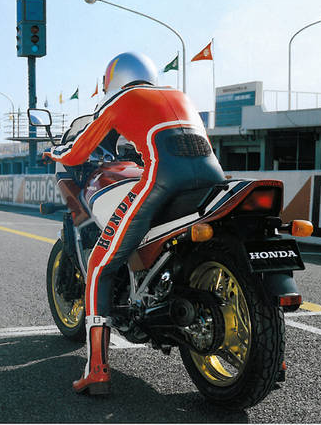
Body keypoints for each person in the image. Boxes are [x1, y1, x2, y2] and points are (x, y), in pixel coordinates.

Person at [44, 51, 226, 395]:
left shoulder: (120, 101)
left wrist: (53, 154)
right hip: (211, 176)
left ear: (112, 80)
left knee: (99, 265)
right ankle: (271, 360)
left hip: (163, 178)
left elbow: (78, 152)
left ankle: (97, 369)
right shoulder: (178, 95)